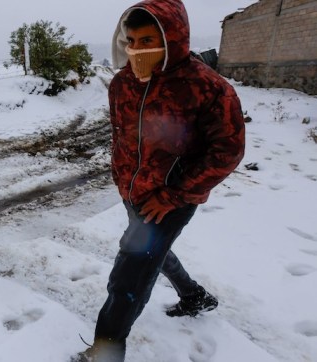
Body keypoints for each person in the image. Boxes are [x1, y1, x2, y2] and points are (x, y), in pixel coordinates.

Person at [73, 0, 246, 361]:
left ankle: (105, 352)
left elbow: (227, 151)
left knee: (128, 275)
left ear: (173, 38)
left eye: (148, 39)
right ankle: (194, 296)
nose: (137, 49)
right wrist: (122, 175)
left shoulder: (208, 88)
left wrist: (173, 195)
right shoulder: (122, 83)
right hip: (131, 191)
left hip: (172, 199)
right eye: (131, 40)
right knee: (152, 251)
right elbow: (123, 136)